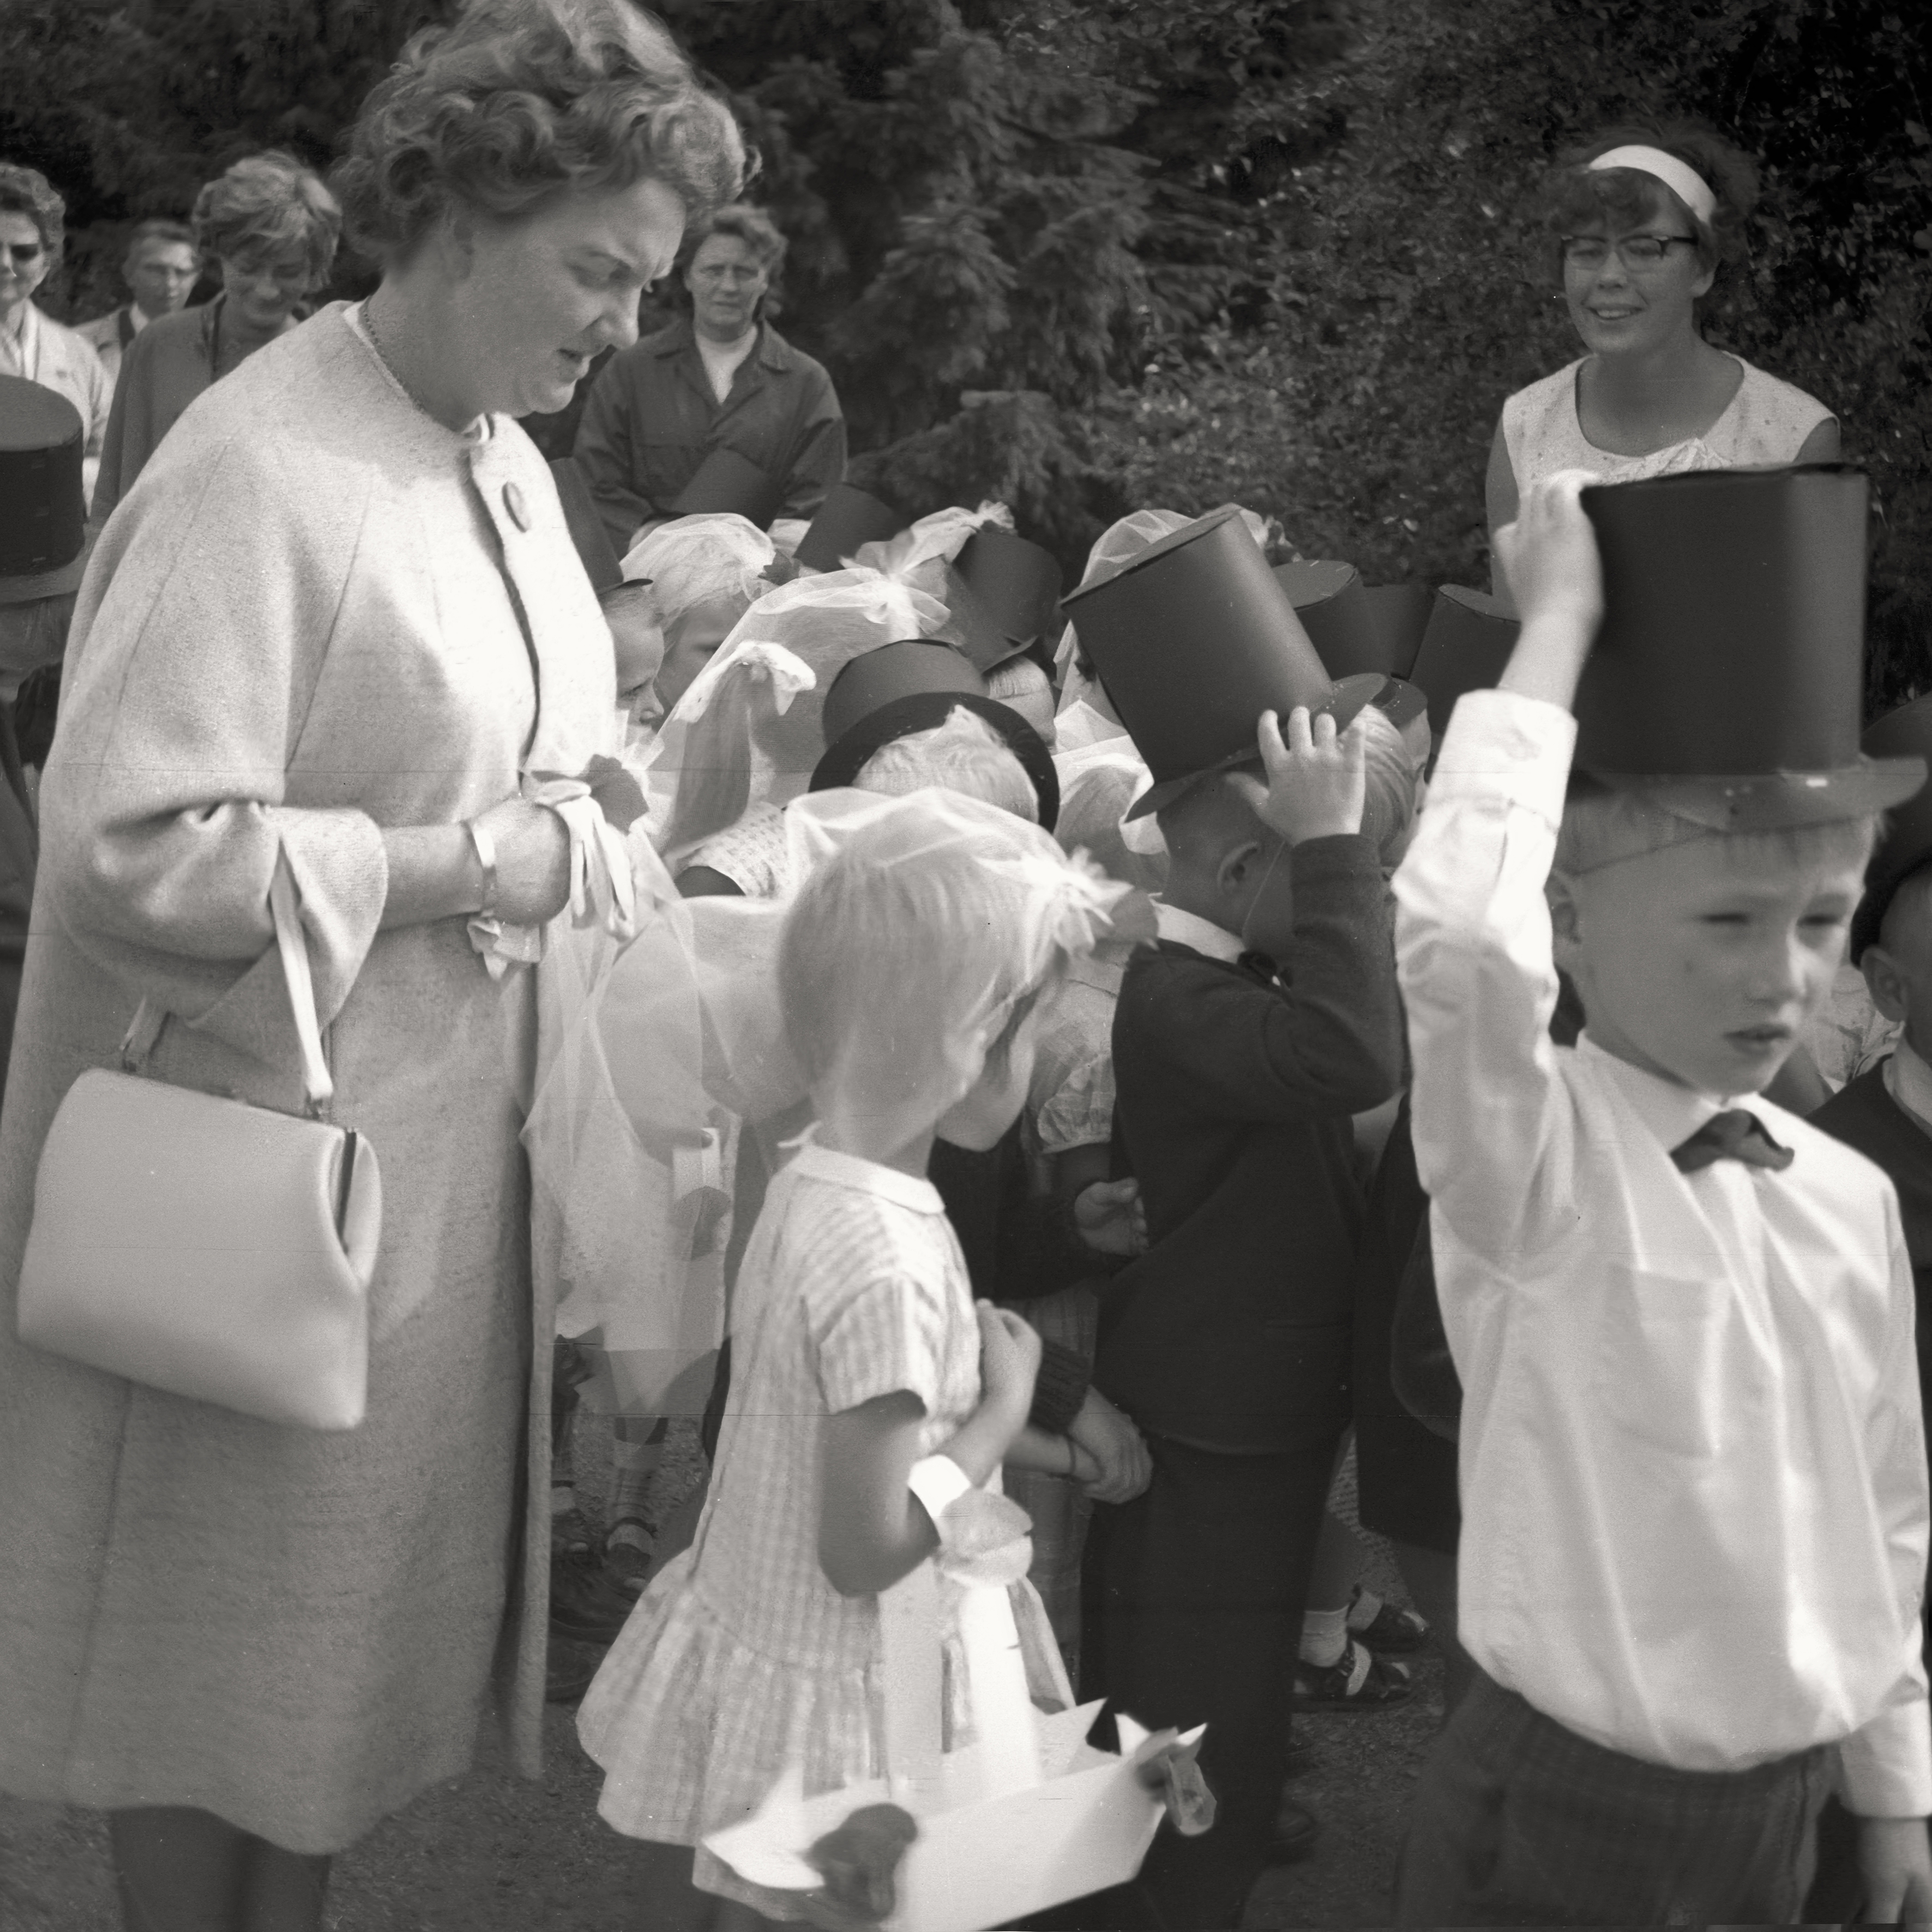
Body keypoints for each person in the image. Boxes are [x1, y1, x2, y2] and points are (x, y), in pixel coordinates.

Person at [0, 5, 742, 1929]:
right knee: (206, 1668)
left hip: (409, 1183)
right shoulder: (262, 470)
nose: (620, 325)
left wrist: (598, 800)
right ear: (461, 208)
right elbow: (121, 848)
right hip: (244, 1190)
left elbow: (519, 734)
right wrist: (462, 861)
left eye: (650, 290)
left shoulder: (486, 447)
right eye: (599, 270)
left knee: (313, 1678)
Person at [1390, 470, 1932, 1926]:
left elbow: (1876, 1504)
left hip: (1783, 1811)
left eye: (1818, 920)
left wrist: (1890, 1781)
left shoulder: (1839, 1192)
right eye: (1721, 917)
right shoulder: (1535, 1166)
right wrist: (1554, 622)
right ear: (1564, 919)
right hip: (1559, 1814)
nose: (1783, 974)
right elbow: (1451, 936)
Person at [575, 790, 1121, 1928]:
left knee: (759, 1890)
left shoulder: (812, 1178)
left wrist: (1013, 1431)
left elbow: (855, 1429)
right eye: (1027, 1028)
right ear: (969, 1047)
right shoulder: (891, 1255)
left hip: (792, 1639)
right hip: (861, 1662)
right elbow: (866, 1546)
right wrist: (1002, 1414)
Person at [1486, 122, 1838, 580]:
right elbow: (1510, 633)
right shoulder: (1524, 428)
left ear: (1703, 268)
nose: (1609, 275)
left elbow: (1809, 642)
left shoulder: (1793, 437)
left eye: (1645, 248)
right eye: (1587, 249)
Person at [574, 202, 846, 553]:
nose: (728, 286)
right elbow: (595, 482)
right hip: (646, 577)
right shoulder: (631, 371)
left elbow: (816, 504)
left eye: (745, 272)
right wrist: (656, 539)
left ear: (766, 279)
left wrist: (751, 560)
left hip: (759, 589)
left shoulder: (807, 384)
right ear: (687, 276)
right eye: (713, 270)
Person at [90, 152, 342, 527]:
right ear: (218, 255)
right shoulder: (158, 345)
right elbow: (112, 494)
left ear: (314, 269)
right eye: (249, 268)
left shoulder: (332, 362)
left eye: (288, 271)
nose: (267, 289)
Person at [0, 163, 111, 503]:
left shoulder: (77, 354)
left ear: (46, 263)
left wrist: (70, 479)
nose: (5, 263)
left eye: (23, 251)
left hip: (59, 544)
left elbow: (113, 450)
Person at [75, 218, 200, 389]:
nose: (170, 284)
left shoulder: (216, 351)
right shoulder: (76, 346)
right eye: (157, 271)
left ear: (196, 278)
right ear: (129, 274)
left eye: (182, 272)